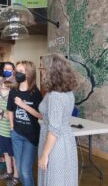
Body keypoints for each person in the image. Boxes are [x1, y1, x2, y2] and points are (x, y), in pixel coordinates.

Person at [38, 54, 78, 186]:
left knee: (54, 180)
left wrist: (45, 154)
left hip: (55, 145)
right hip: (66, 140)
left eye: (42, 67)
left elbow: (54, 130)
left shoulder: (55, 95)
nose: (41, 70)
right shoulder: (67, 92)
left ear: (51, 71)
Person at [8, 60, 43, 186]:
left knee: (25, 170)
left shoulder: (36, 93)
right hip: (16, 134)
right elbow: (10, 110)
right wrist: (12, 126)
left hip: (31, 136)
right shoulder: (13, 91)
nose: (18, 74)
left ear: (29, 73)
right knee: (19, 166)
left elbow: (41, 115)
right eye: (17, 71)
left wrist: (23, 105)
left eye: (21, 71)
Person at [0, 81, 20, 186]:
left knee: (13, 155)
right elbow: (0, 117)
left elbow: (12, 117)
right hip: (2, 130)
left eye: (4, 88)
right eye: (1, 87)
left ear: (10, 90)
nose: (1, 89)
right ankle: (9, 171)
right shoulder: (0, 99)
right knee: (6, 153)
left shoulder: (13, 101)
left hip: (11, 132)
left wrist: (1, 112)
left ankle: (16, 176)